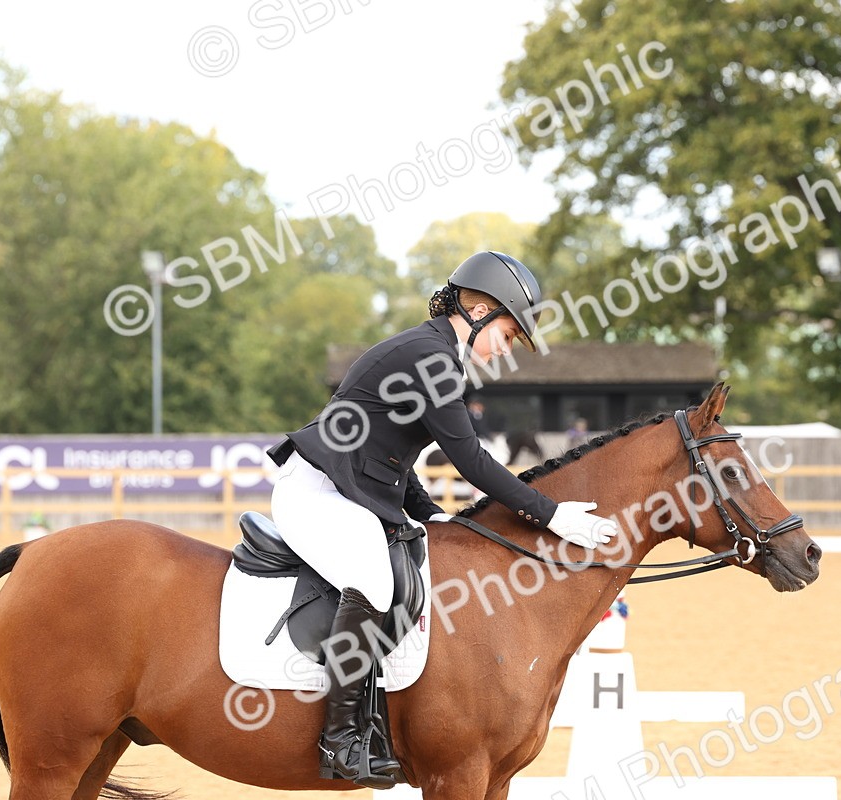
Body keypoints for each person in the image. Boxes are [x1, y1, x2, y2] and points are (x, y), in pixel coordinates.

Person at [264, 250, 618, 787]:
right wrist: (553, 516)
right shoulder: (429, 357)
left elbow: (392, 456)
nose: (506, 349)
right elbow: (471, 460)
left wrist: (432, 516)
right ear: (477, 308)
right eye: (507, 332)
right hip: (317, 490)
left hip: (347, 488)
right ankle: (340, 739)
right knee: (373, 579)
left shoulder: (430, 355)